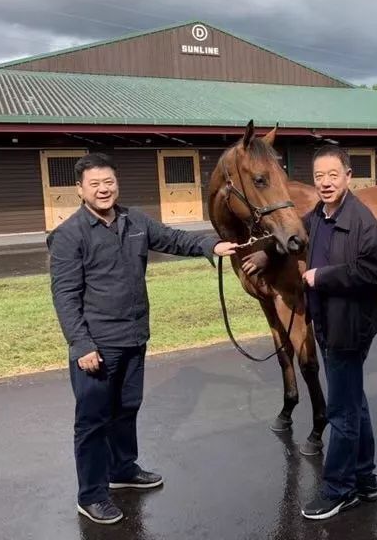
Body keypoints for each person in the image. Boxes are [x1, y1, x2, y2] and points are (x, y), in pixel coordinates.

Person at [47, 152, 239, 525]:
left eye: (109, 183)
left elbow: (172, 238)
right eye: (95, 184)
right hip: (97, 347)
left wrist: (210, 246)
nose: (104, 190)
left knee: (126, 408)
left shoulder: (134, 220)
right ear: (80, 189)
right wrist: (81, 345)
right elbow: (65, 297)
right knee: (92, 421)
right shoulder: (70, 235)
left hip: (134, 338)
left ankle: (122, 469)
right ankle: (91, 494)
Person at [299, 146, 377, 521]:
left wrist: (322, 277)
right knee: (354, 401)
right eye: (319, 176)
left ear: (349, 177)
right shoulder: (317, 215)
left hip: (349, 328)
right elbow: (290, 235)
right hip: (326, 322)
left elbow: (372, 272)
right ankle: (365, 479)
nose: (325, 182)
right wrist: (260, 252)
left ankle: (338, 489)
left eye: (333, 175)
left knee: (342, 411)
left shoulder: (362, 220)